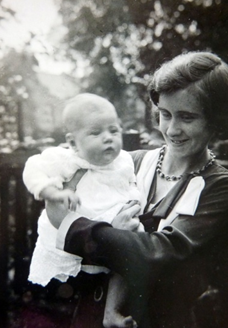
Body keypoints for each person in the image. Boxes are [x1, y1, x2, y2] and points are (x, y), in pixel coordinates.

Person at [45, 52, 228, 328]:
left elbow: (157, 253)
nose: (172, 129)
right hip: (91, 315)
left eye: (187, 117)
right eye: (165, 114)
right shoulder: (129, 163)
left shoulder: (225, 189)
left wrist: (72, 227)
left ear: (216, 120)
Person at [23, 93, 142, 328]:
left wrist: (134, 205)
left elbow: (132, 186)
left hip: (114, 238)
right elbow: (33, 168)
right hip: (74, 245)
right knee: (65, 305)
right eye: (96, 133)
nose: (108, 139)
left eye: (113, 130)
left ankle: (112, 310)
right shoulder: (66, 159)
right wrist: (53, 192)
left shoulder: (125, 161)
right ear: (73, 142)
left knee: (130, 256)